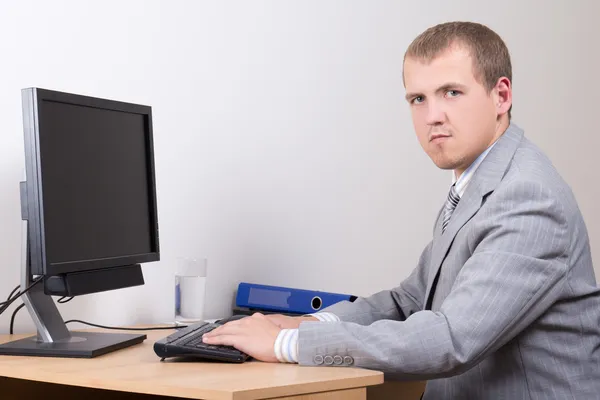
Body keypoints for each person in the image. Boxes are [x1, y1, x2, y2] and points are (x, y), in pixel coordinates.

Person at [203, 21, 600, 399]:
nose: (432, 116)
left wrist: (288, 343)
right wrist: (309, 323)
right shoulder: (478, 183)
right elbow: (410, 300)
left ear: (501, 96)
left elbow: (450, 340)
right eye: (418, 99)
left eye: (452, 93)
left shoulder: (527, 197)